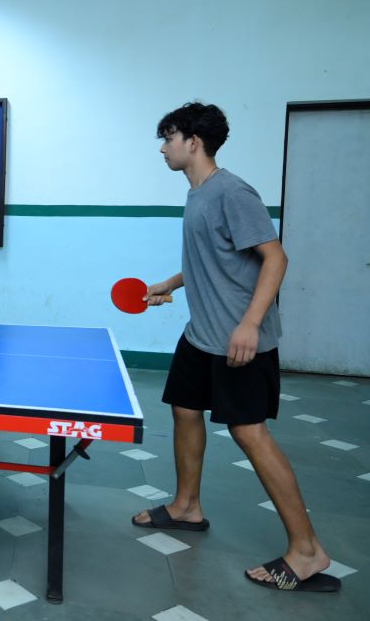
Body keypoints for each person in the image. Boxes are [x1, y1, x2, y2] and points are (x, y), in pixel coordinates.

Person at [131, 102, 339, 593]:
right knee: (185, 410)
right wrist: (170, 284)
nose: (163, 149)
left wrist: (250, 324)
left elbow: (275, 258)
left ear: (193, 142)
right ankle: (187, 506)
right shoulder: (198, 194)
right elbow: (215, 257)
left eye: (168, 138)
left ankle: (307, 551)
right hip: (201, 335)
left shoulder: (232, 192)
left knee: (250, 434)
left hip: (239, 341)